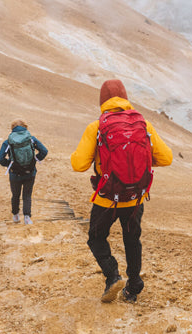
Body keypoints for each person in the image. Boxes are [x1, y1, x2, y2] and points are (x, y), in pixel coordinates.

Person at [71, 79, 172, 303]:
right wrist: (135, 167)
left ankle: (112, 276)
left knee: (96, 239)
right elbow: (167, 158)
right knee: (132, 239)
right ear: (125, 98)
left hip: (107, 198)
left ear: (102, 101)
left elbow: (78, 165)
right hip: (135, 198)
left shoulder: (96, 127)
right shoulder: (143, 124)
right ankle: (133, 287)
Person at [0, 119, 48, 225]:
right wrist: (35, 160)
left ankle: (15, 216)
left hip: (15, 173)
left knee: (15, 195)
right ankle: (27, 218)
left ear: (12, 129)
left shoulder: (8, 141)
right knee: (27, 195)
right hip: (30, 172)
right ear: (25, 128)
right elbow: (44, 151)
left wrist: (10, 164)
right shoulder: (31, 139)